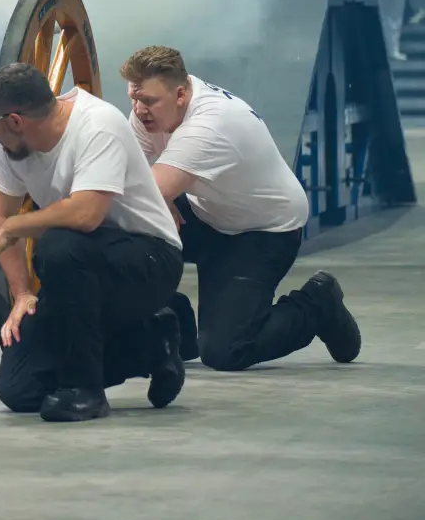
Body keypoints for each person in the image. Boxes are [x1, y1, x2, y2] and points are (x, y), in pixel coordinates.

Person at [121, 45, 362, 371]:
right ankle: (173, 318)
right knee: (122, 227)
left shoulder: (210, 125)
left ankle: (318, 303)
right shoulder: (157, 105)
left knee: (225, 351)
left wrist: (159, 197)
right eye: (134, 98)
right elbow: (127, 176)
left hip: (262, 232)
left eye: (148, 101)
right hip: (208, 213)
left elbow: (136, 189)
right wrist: (160, 200)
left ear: (180, 94)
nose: (138, 110)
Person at [0, 63, 186, 423]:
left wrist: (19, 225)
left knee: (60, 246)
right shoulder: (11, 145)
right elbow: (0, 219)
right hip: (82, 266)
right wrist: (23, 292)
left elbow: (86, 214)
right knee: (19, 390)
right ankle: (153, 342)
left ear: (15, 120)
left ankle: (84, 392)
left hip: (149, 260)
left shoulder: (98, 124)